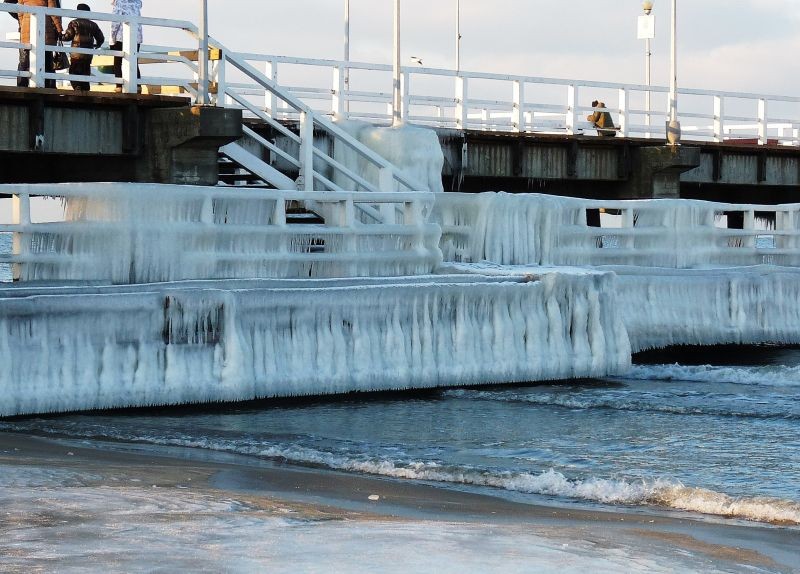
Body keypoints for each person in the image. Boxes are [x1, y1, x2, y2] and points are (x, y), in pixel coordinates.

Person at [16, 0, 63, 89]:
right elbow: (53, 12)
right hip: (44, 28)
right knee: (47, 60)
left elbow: (20, 12)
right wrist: (59, 29)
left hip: (26, 28)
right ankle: (50, 86)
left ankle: (21, 85)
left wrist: (22, 25)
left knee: (25, 61)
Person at [61, 3, 104, 91]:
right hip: (88, 53)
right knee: (85, 71)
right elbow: (101, 38)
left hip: (76, 53)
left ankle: (77, 86)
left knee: (74, 70)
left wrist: (59, 36)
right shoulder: (93, 25)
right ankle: (85, 89)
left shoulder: (74, 23)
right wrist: (98, 44)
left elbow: (68, 37)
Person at [110, 0, 142, 92]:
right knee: (134, 62)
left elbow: (115, 23)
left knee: (117, 62)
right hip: (136, 37)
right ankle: (138, 85)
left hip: (121, 36)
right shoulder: (137, 3)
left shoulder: (119, 3)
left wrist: (112, 39)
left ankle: (119, 86)